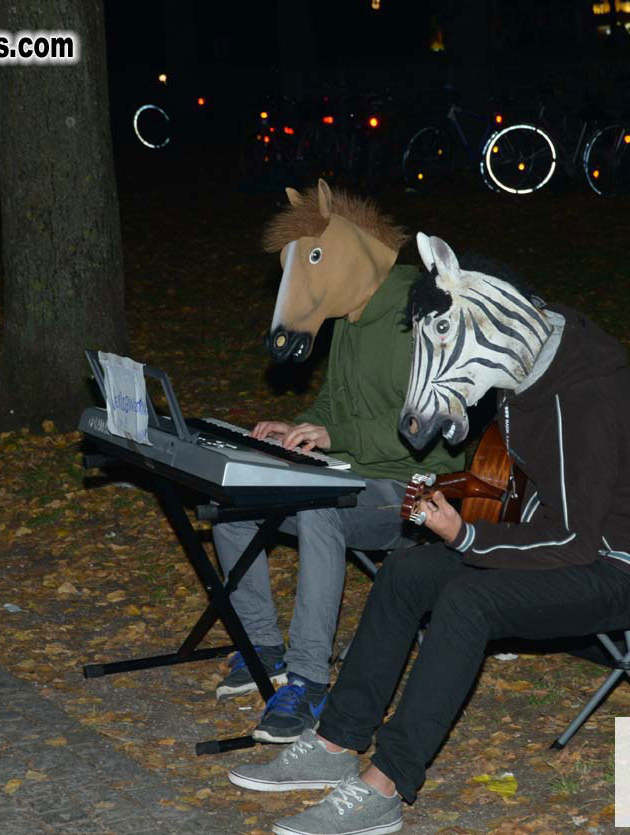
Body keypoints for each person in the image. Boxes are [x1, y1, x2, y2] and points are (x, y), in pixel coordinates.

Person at [227, 233, 630, 835]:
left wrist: (468, 538)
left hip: (629, 569)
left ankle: (386, 783)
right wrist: (453, 507)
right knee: (406, 572)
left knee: (469, 601)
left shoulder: (583, 399)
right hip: (576, 546)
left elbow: (575, 542)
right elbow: (533, 501)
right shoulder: (528, 375)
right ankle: (336, 742)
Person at [213, 183, 463, 744]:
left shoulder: (417, 314)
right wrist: (299, 424)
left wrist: (335, 432)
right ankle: (262, 648)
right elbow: (336, 405)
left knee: (318, 510)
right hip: (355, 473)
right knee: (232, 505)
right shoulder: (353, 317)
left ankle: (306, 678)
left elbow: (423, 429)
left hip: (414, 487)